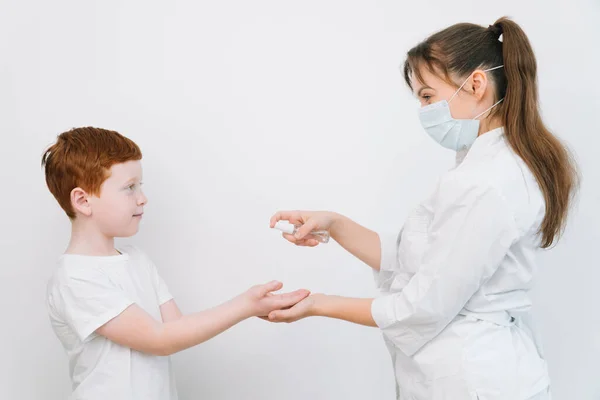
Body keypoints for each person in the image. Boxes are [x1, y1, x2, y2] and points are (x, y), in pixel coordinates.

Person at [267, 17, 578, 400]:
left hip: (476, 378)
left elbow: (423, 308)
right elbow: (413, 255)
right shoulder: (482, 167)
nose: (423, 109)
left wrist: (317, 304)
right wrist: (334, 224)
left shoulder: (486, 182)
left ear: (476, 85)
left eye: (428, 96)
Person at [42, 127, 309, 400]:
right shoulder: (75, 278)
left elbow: (176, 329)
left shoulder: (137, 259)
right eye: (129, 187)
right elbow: (160, 339)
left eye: (140, 186)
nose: (142, 198)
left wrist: (250, 304)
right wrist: (246, 305)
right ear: (83, 201)